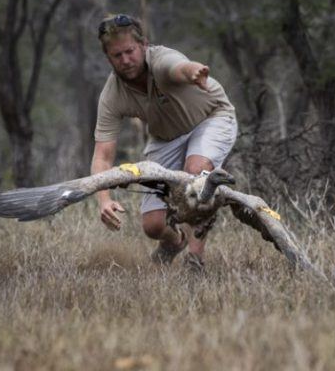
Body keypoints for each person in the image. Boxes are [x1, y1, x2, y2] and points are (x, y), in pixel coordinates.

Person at [90, 14, 238, 270]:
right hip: (165, 137)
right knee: (154, 225)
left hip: (212, 117)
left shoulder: (160, 60)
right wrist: (104, 201)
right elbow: (103, 156)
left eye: (130, 51)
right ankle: (174, 242)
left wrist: (193, 71)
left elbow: (178, 67)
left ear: (143, 45)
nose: (125, 60)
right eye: (117, 55)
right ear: (108, 58)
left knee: (196, 173)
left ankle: (195, 262)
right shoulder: (111, 95)